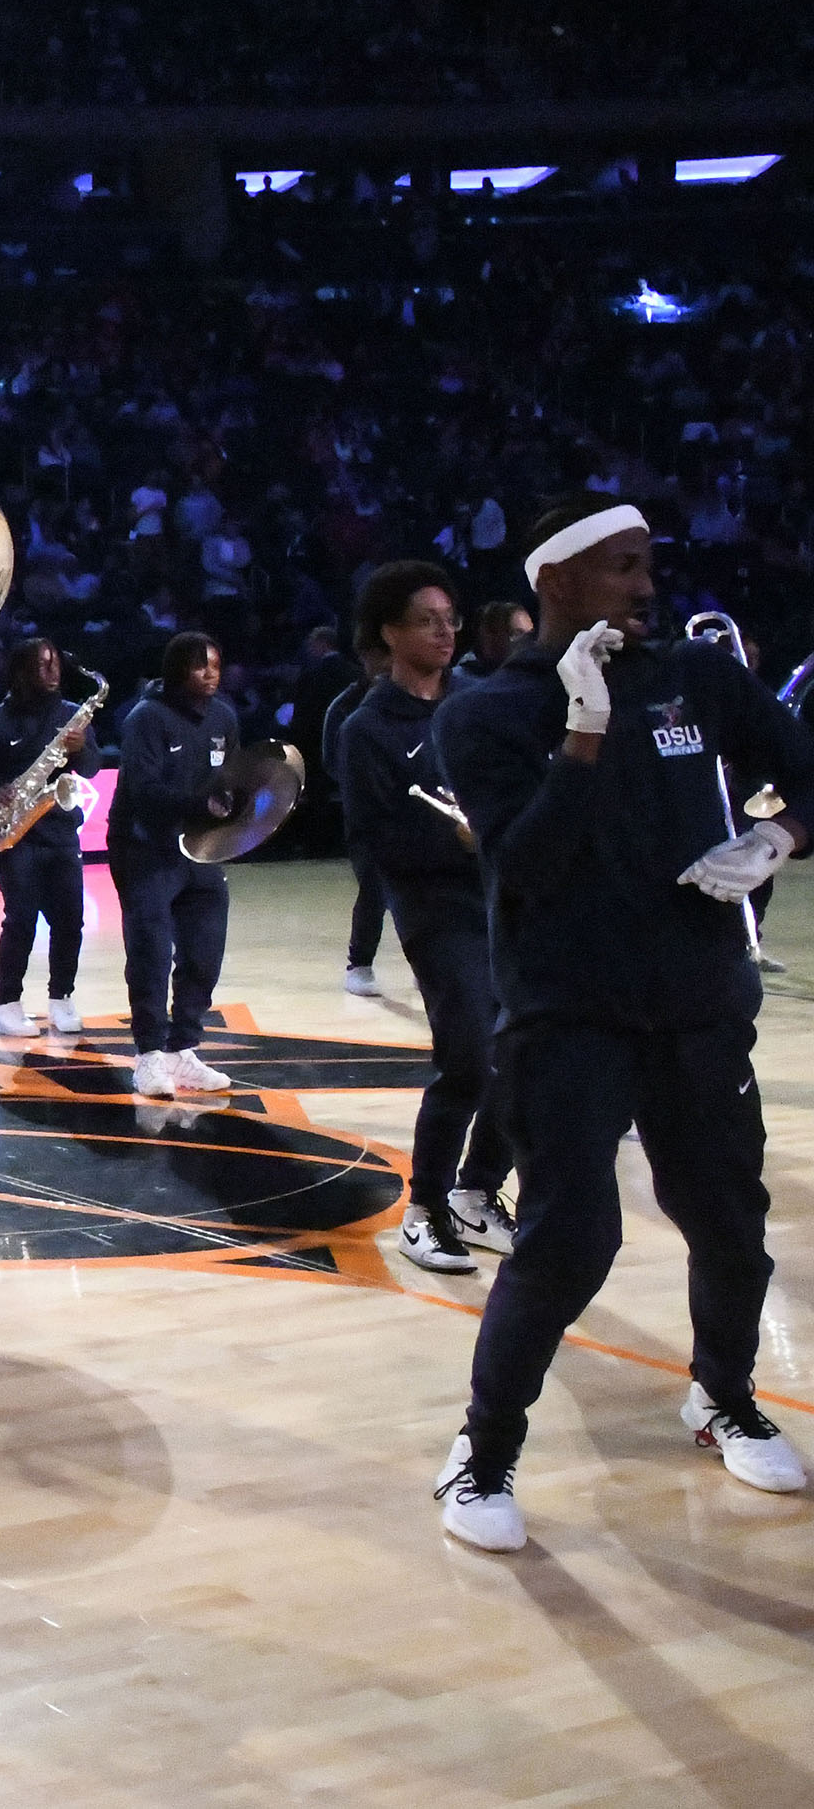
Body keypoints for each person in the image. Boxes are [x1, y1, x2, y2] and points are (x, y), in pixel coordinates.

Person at [427, 501, 814, 1551]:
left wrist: (781, 829)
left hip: (698, 1005)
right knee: (570, 1237)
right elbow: (529, 864)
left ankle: (722, 1395)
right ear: (557, 582)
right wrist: (583, 738)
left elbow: (804, 759)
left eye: (649, 565)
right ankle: (482, 1454)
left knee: (730, 1224)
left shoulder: (698, 677)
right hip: (568, 1015)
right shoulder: (486, 714)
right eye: (622, 568)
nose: (647, 586)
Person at [336, 562, 514, 1276]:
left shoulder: (476, 702)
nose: (445, 631)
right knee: (469, 1055)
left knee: (520, 1056)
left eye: (451, 619)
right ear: (390, 632)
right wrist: (461, 838)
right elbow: (377, 843)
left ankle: (477, 1192)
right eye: (426, 620)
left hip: (504, 900)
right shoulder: (366, 728)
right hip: (437, 910)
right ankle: (425, 1207)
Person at [108, 631, 241, 1099]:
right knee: (150, 953)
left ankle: (183, 1048)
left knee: (204, 952)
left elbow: (231, 781)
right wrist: (200, 805)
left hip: (202, 851)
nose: (211, 674)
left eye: (217, 666)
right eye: (201, 665)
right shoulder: (146, 718)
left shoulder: (224, 716)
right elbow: (143, 792)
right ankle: (148, 1054)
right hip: (144, 849)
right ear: (177, 669)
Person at [0, 638, 103, 1037]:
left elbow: (90, 770)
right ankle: (7, 1005)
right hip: (15, 836)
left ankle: (62, 999)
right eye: (42, 665)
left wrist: (81, 749)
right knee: (20, 920)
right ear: (21, 672)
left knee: (71, 920)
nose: (53, 672)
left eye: (55, 663)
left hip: (60, 831)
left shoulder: (74, 717)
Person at [323, 641, 391, 997]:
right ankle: (359, 964)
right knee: (374, 888)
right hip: (368, 814)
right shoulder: (348, 707)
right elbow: (332, 760)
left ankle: (424, 960)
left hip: (420, 809)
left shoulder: (421, 696)